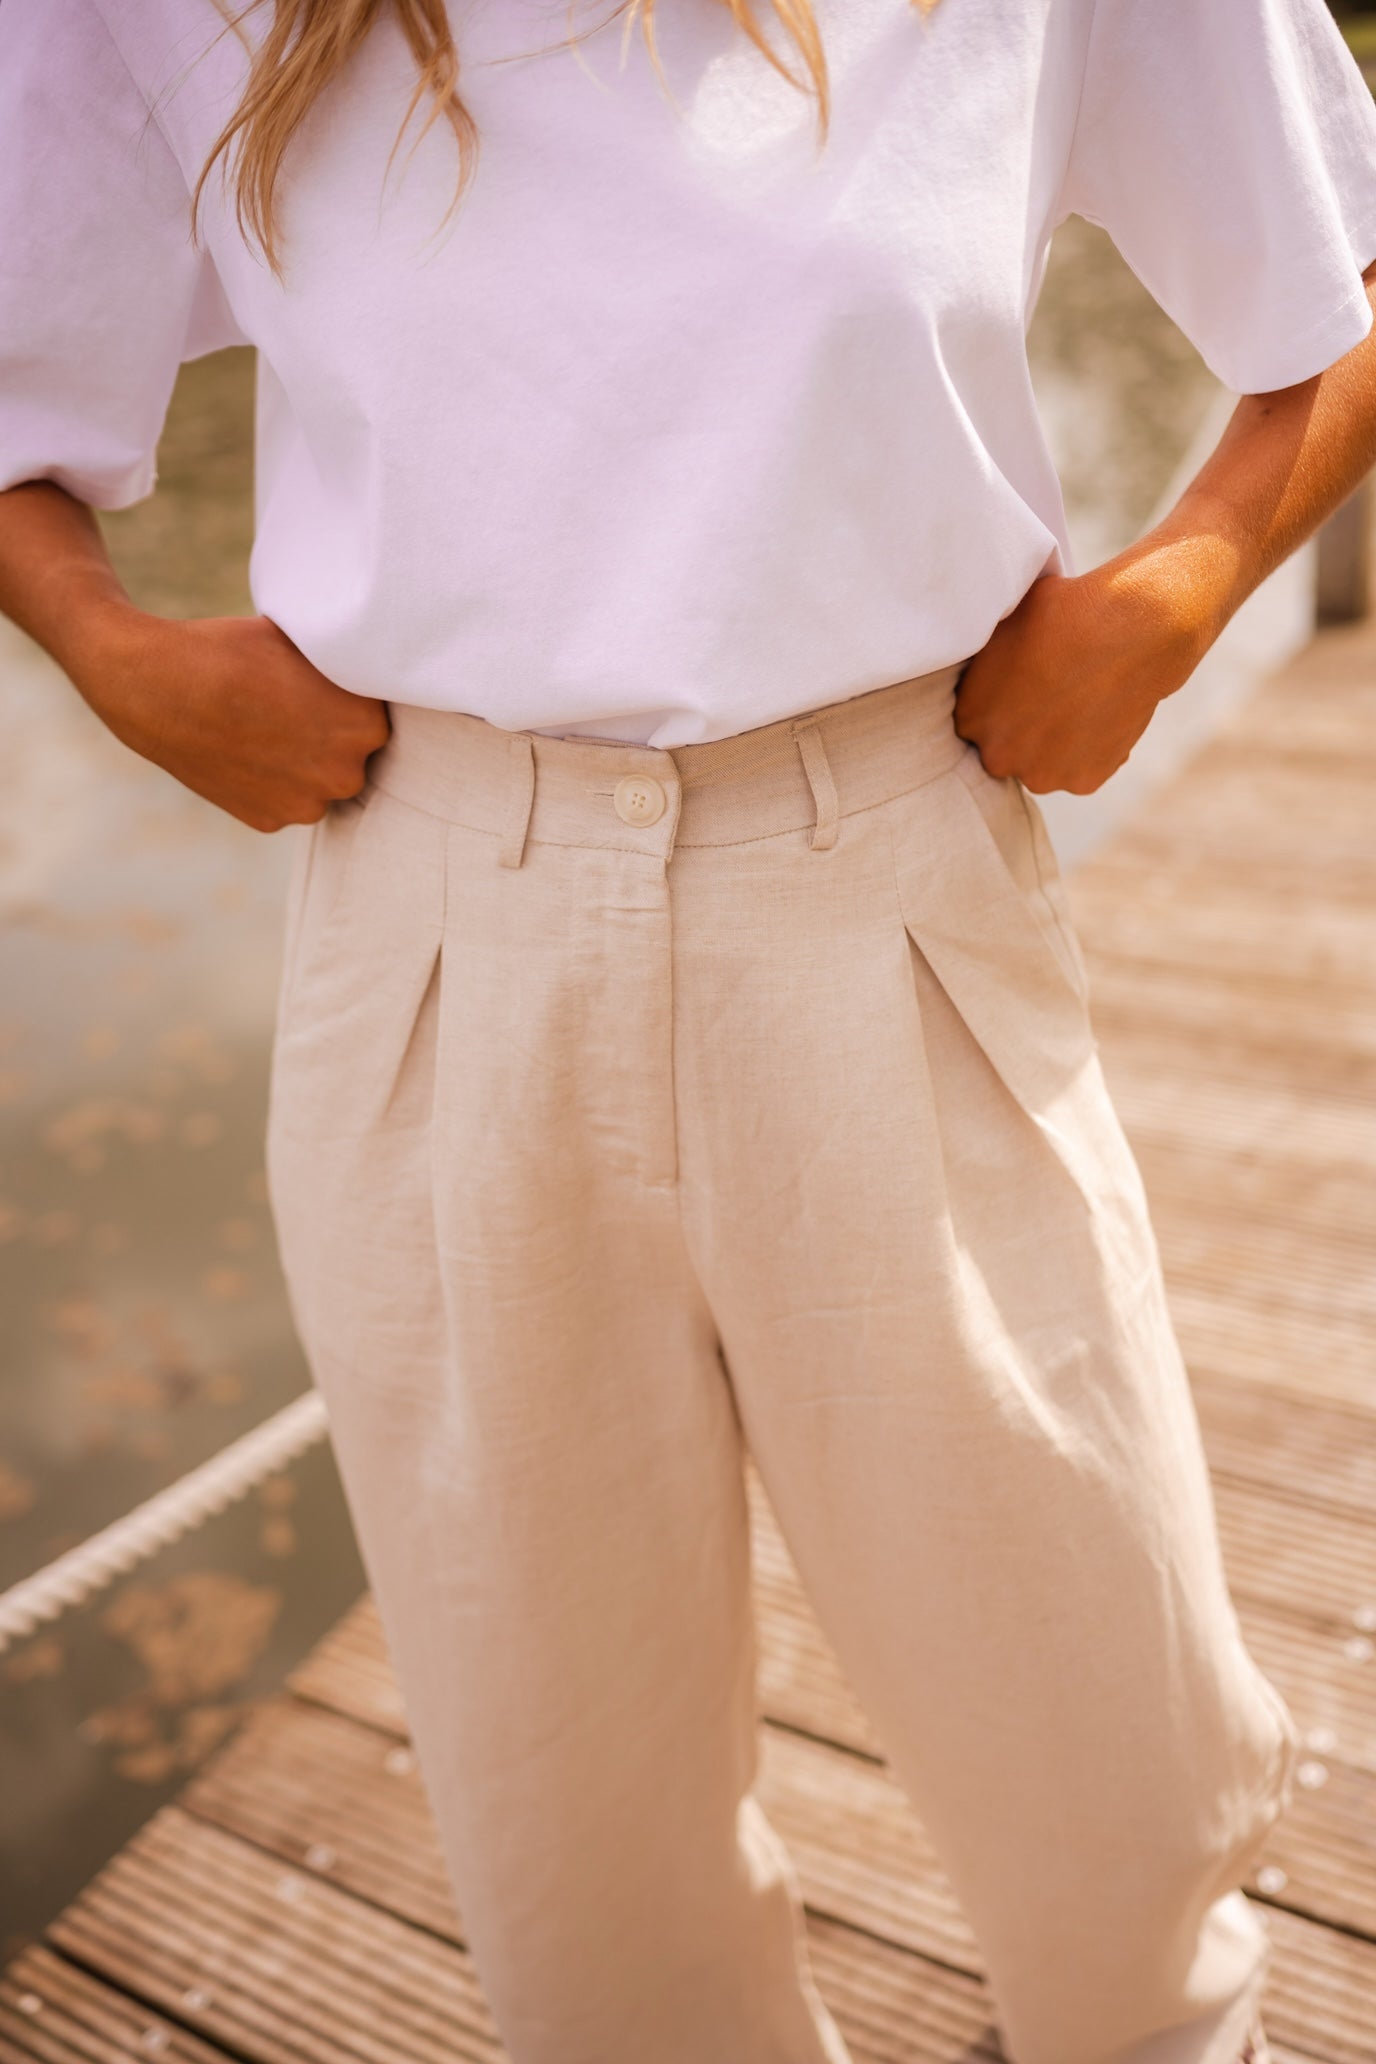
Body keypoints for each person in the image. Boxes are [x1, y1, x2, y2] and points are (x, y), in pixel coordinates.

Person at [3, 1, 1375, 2058]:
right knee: (582, 1866)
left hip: (887, 884)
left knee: (1106, 1768)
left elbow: (1337, 271)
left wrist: (1178, 596)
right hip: (438, 922)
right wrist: (109, 650)